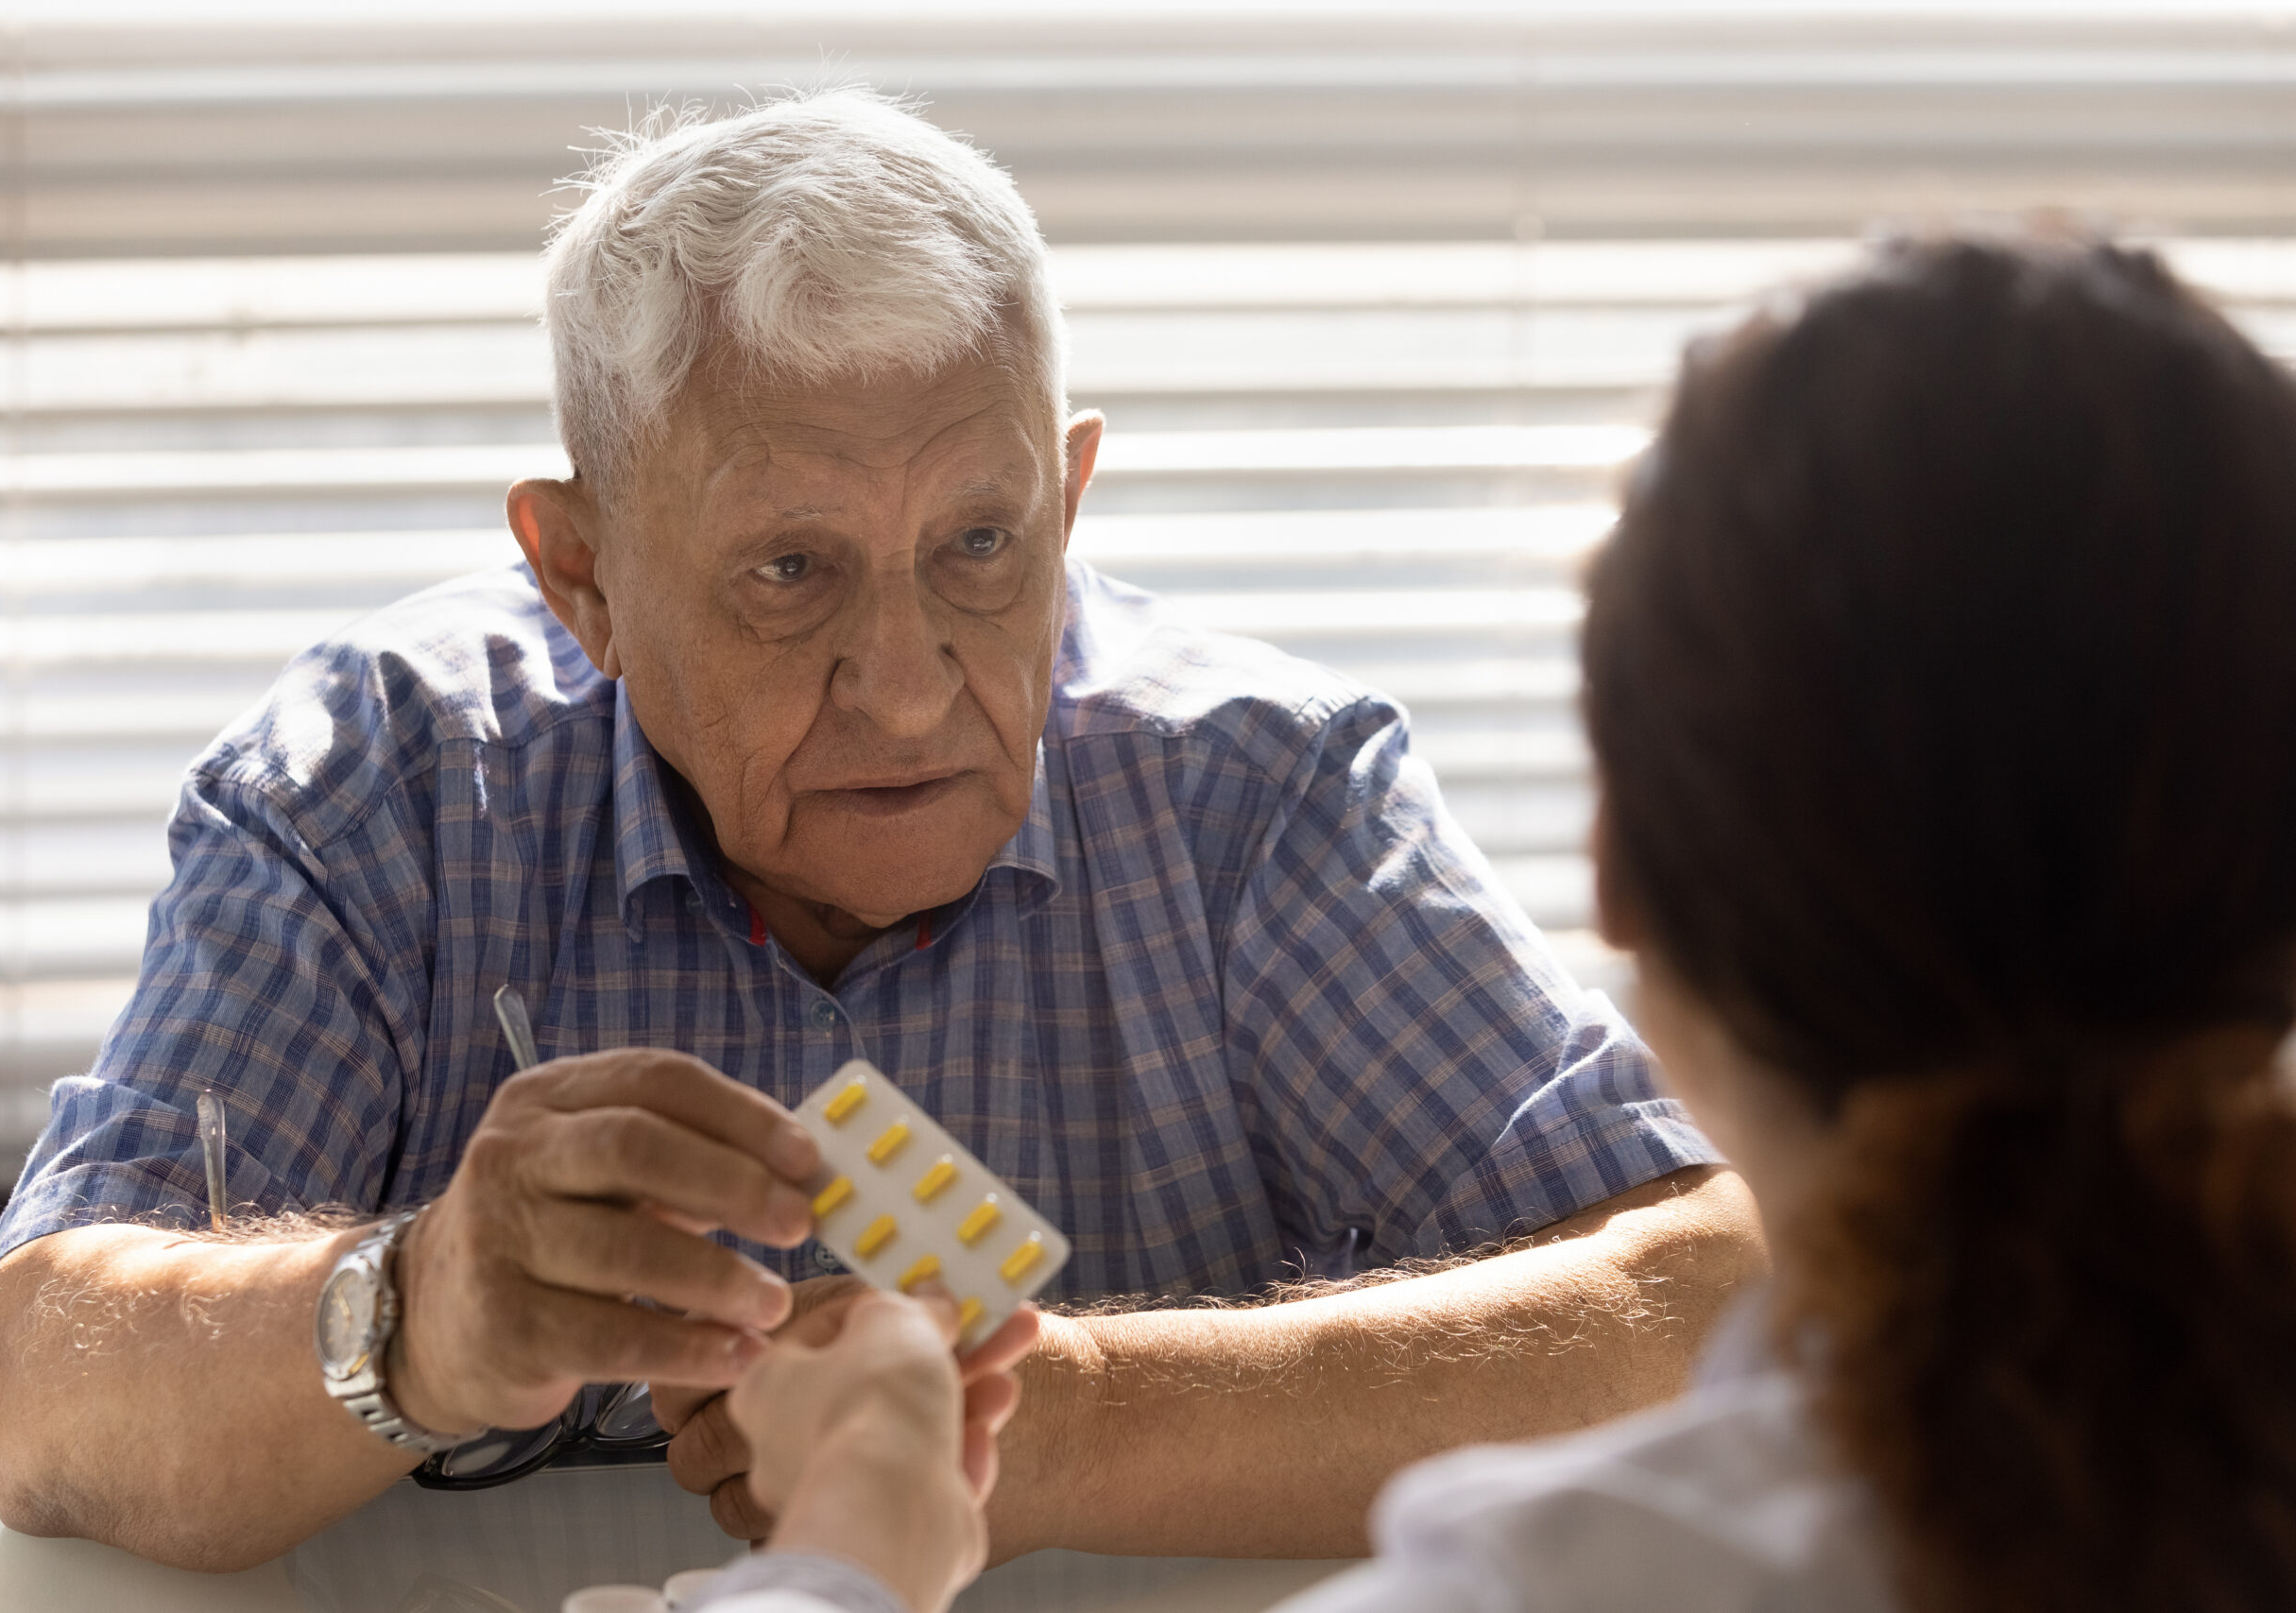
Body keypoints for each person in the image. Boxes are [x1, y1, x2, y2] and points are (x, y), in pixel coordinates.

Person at [0, 89, 1761, 1573]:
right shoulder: (378, 795)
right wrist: (415, 1311)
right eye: (790, 570)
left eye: (981, 546)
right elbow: (47, 1394)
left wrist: (1056, 1425)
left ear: (1067, 496)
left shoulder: (1259, 797)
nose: (908, 690)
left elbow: (1720, 1309)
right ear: (578, 574)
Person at [677, 232, 2296, 1613]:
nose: (899, 684)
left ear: (1624, 881)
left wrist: (863, 1532)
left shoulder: (1555, 1585)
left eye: (978, 540)